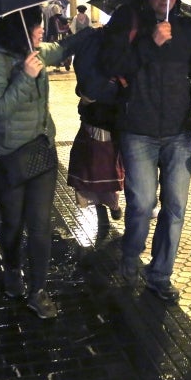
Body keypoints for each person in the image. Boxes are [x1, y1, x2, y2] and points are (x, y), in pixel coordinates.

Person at [99, 0, 191, 302]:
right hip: (139, 129)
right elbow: (112, 63)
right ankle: (131, 254)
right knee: (142, 203)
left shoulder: (190, 27)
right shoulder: (128, 21)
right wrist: (150, 42)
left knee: (175, 207)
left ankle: (160, 273)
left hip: (179, 131)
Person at [0, 6, 90, 318]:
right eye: (36, 26)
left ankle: (38, 290)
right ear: (18, 29)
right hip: (7, 156)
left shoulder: (37, 51)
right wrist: (26, 77)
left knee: (40, 224)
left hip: (40, 151)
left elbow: (63, 47)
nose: (42, 31)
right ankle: (12, 268)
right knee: (14, 223)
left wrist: (101, 31)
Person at [67, 24, 124, 234]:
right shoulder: (98, 57)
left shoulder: (117, 62)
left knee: (102, 175)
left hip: (106, 128)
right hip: (96, 126)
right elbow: (83, 89)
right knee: (96, 176)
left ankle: (113, 207)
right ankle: (105, 214)